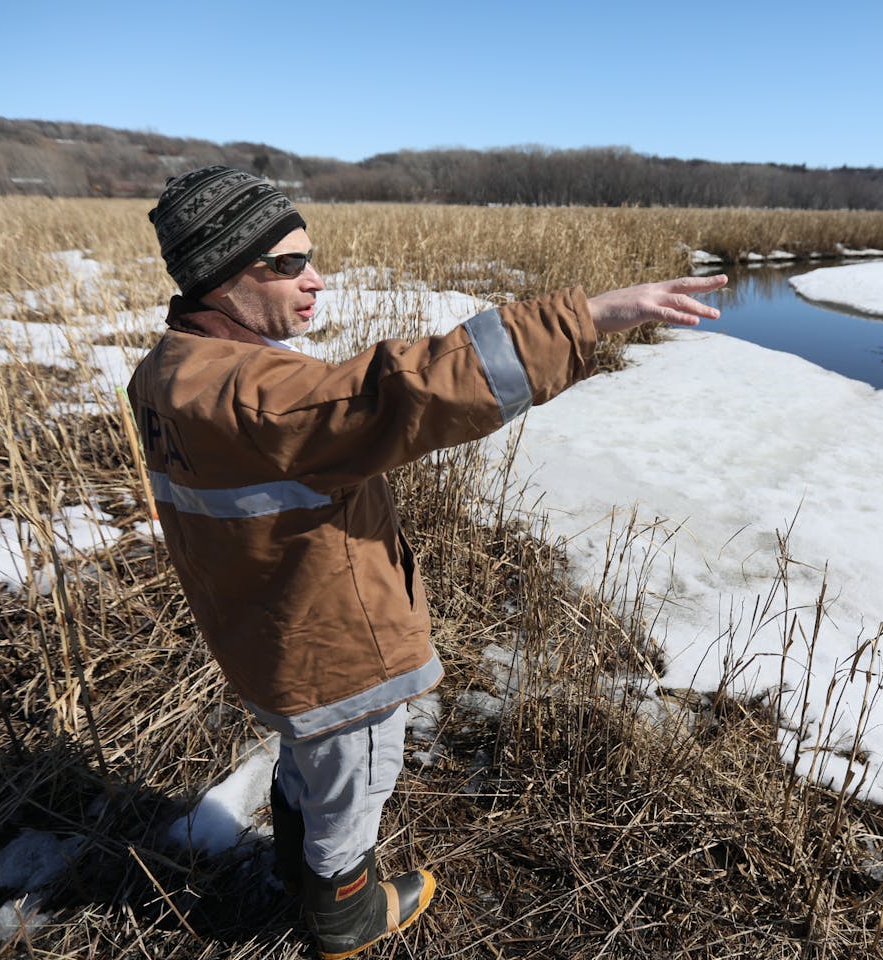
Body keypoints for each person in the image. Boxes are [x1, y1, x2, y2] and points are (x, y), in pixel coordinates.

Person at [127, 165, 725, 958]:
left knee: (309, 763)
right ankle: (343, 913)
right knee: (356, 782)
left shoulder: (167, 371)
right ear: (223, 275)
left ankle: (294, 862)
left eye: (312, 257)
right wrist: (587, 317)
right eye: (287, 264)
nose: (316, 280)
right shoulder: (264, 394)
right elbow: (411, 391)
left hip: (261, 635)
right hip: (338, 651)